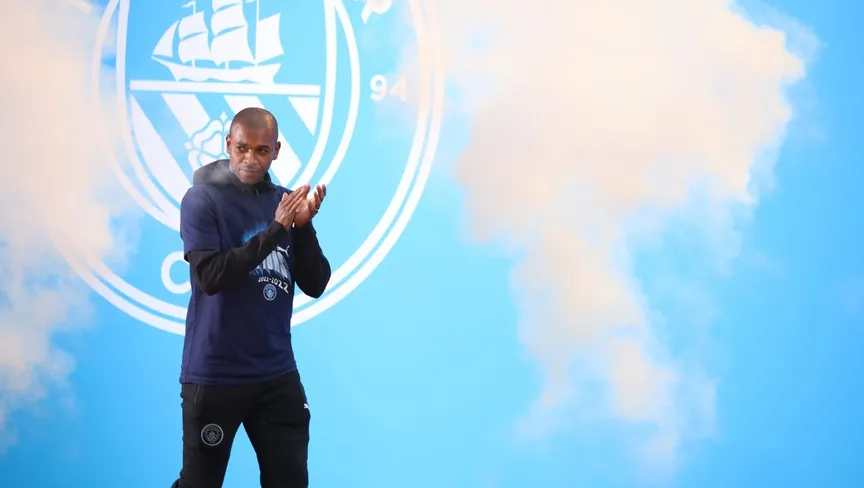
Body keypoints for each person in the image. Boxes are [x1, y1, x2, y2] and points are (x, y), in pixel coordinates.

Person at [171, 107, 331, 488]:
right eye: (242, 148)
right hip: (215, 375)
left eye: (261, 151)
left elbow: (316, 283)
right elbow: (211, 277)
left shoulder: (286, 203)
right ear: (229, 144)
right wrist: (276, 230)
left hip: (276, 374)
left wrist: (302, 229)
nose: (250, 159)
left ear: (276, 151)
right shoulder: (201, 200)